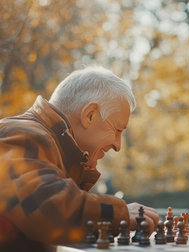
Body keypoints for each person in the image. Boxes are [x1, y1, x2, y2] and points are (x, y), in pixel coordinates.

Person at [0, 66, 159, 249]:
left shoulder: (45, 142)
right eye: (117, 130)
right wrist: (121, 214)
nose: (118, 146)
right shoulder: (23, 134)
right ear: (89, 115)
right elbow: (49, 210)